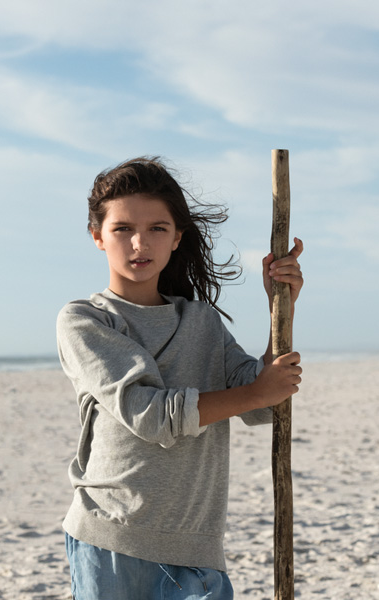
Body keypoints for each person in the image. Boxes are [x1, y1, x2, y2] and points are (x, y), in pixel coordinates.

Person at [56, 156, 304, 599]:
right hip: (114, 540)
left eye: (157, 228)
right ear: (97, 236)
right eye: (122, 229)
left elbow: (265, 401)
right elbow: (150, 414)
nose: (139, 243)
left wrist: (279, 305)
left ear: (177, 238)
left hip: (197, 547)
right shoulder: (86, 321)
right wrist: (255, 391)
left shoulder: (200, 321)